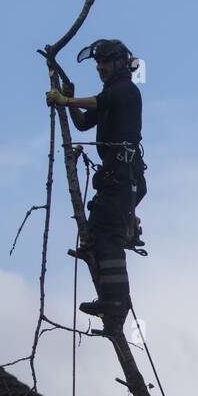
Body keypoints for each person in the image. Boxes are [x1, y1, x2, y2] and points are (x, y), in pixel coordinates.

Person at [46, 38, 146, 324]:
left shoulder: (126, 91)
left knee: (106, 235)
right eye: (98, 63)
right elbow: (82, 123)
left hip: (123, 178)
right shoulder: (111, 93)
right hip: (117, 179)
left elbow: (100, 102)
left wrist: (65, 100)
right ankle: (111, 299)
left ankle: (115, 302)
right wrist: (69, 101)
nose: (100, 68)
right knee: (98, 234)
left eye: (104, 62)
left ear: (119, 63)